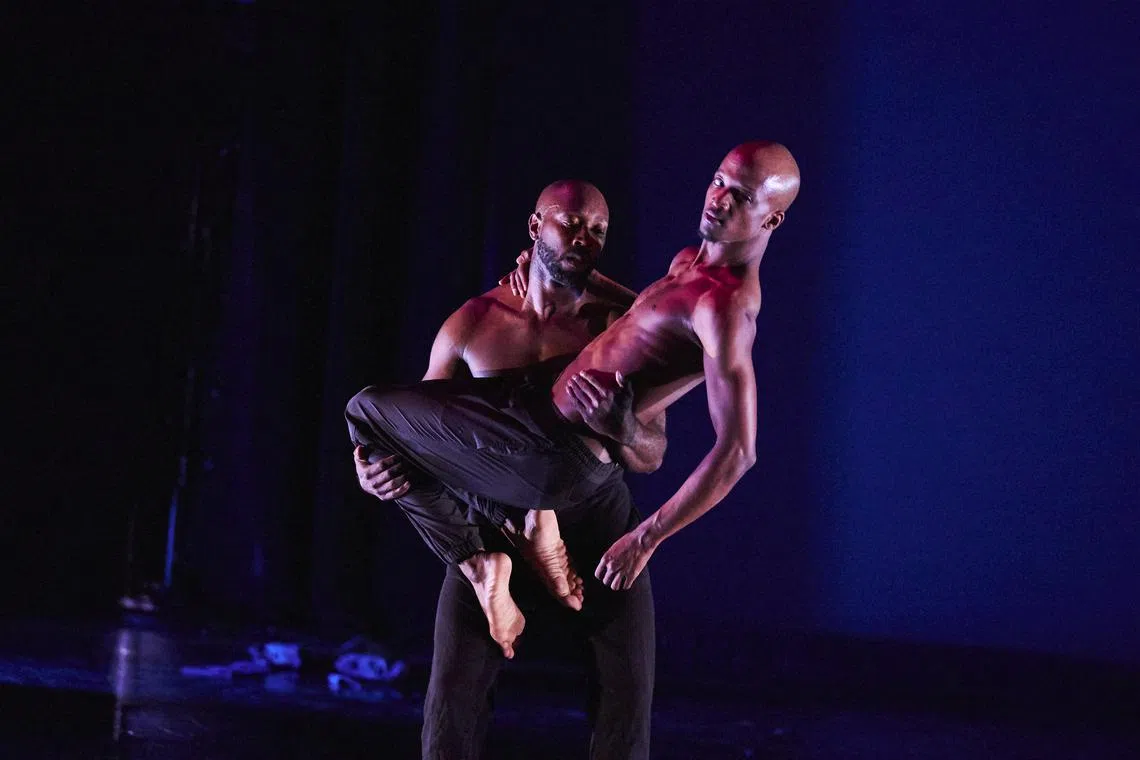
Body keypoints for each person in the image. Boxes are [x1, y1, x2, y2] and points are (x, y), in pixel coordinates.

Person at [346, 139, 800, 665]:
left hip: (557, 454)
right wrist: (547, 262)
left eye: (742, 196)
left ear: (772, 220)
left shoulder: (725, 307)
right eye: (719, 181)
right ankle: (527, 522)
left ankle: (480, 562)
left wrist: (646, 538)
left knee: (365, 411)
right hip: (532, 428)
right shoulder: (687, 265)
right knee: (401, 433)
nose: (718, 199)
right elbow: (647, 316)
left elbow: (738, 452)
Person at [356, 179, 663, 759]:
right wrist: (376, 476)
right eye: (571, 223)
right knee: (450, 710)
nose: (584, 238)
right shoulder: (473, 324)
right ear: (534, 227)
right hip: (497, 522)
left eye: (598, 230)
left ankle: (530, 527)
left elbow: (652, 456)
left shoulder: (617, 327)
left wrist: (623, 424)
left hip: (596, 523)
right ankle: (491, 557)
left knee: (625, 704)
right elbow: (425, 440)